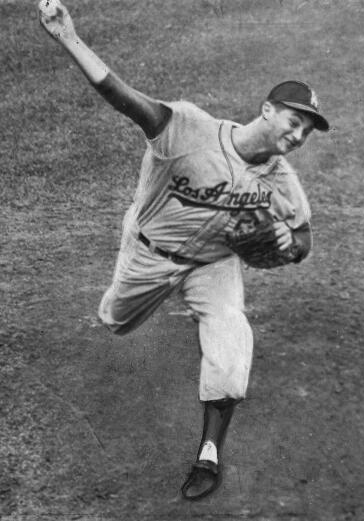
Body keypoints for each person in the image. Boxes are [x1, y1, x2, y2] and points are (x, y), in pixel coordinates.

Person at [38, 0, 328, 500]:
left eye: (307, 129)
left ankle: (209, 453)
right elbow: (123, 98)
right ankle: (143, 305)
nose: (299, 134)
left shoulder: (282, 179)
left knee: (230, 338)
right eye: (294, 120)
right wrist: (68, 37)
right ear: (267, 109)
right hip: (150, 253)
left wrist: (290, 244)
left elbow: (302, 238)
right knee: (115, 320)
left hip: (214, 262)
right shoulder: (190, 129)